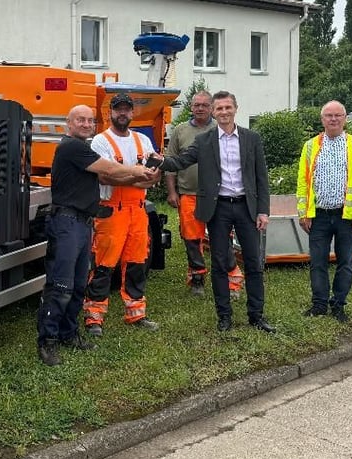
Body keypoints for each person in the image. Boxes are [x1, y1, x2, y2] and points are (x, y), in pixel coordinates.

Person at [36, 104, 158, 366]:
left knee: (79, 283)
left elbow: (104, 177)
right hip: (66, 223)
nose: (85, 124)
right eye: (80, 119)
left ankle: (69, 334)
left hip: (82, 223)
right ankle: (48, 341)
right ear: (69, 123)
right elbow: (110, 170)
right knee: (60, 285)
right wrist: (137, 171)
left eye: (90, 120)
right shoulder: (72, 147)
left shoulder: (84, 148)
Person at [158, 91, 273, 334]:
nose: (223, 112)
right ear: (213, 111)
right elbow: (180, 161)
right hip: (218, 207)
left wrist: (263, 210)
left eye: (227, 108)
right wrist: (156, 161)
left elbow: (261, 178)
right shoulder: (205, 141)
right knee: (220, 263)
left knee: (253, 262)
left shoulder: (252, 138)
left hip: (246, 207)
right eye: (219, 109)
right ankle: (224, 317)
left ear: (235, 109)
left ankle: (256, 315)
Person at [82, 93, 160, 336]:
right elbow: (105, 176)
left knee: (137, 263)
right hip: (111, 212)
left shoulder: (142, 141)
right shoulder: (100, 141)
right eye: (118, 109)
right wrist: (139, 176)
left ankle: (136, 313)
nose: (123, 113)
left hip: (138, 211)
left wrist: (137, 178)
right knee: (103, 265)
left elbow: (155, 174)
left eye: (127, 109)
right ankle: (94, 317)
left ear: (132, 113)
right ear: (110, 113)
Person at [297, 100, 352, 323]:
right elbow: (303, 182)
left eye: (338, 115)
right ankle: (319, 304)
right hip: (318, 216)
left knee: (345, 263)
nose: (333, 119)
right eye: (329, 116)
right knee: (317, 262)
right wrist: (303, 213)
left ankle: (339, 304)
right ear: (322, 120)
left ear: (345, 118)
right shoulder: (310, 146)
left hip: (346, 217)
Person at [165, 90, 244, 298]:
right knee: (191, 239)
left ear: (211, 107)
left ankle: (232, 279)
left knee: (222, 239)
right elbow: (171, 163)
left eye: (204, 105)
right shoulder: (180, 131)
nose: (200, 108)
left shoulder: (220, 130)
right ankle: (197, 278)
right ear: (191, 107)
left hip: (218, 196)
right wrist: (172, 192)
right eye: (196, 104)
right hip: (189, 195)